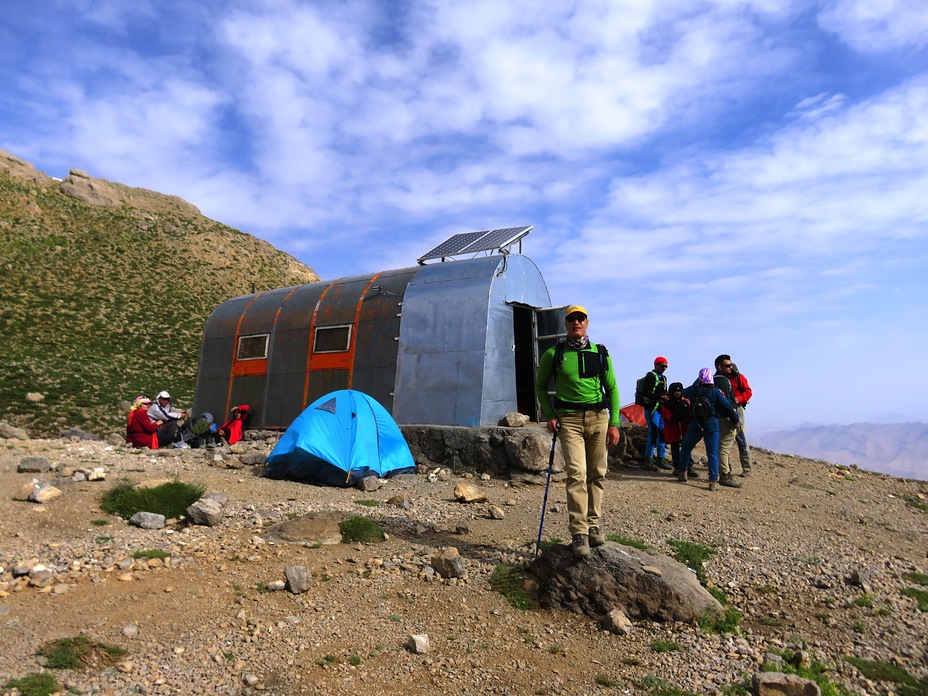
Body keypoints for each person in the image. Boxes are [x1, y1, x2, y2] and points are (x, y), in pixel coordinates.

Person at [534, 305, 621, 559]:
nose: (576, 322)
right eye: (571, 319)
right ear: (566, 324)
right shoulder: (554, 353)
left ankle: (593, 525)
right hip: (569, 420)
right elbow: (540, 385)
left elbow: (613, 389)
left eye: (580, 318)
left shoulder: (601, 352)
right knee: (577, 473)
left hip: (598, 418)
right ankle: (579, 532)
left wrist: (614, 423)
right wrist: (550, 415)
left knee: (598, 473)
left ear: (587, 322)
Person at [678, 368, 739, 491]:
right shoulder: (715, 392)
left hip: (696, 424)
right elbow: (727, 406)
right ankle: (713, 482)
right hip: (712, 424)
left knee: (686, 446)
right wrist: (736, 420)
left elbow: (681, 393)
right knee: (712, 453)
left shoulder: (693, 390)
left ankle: (683, 472)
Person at [713, 355, 742, 488]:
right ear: (719, 367)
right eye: (728, 366)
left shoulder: (713, 380)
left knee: (720, 446)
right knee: (724, 447)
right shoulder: (723, 381)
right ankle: (725, 475)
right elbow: (726, 403)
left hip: (718, 417)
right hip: (726, 418)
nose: (731, 368)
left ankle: (723, 471)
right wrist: (735, 419)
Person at [639, 357, 670, 471]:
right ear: (656, 365)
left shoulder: (663, 378)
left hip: (660, 409)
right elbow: (646, 392)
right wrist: (660, 397)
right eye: (662, 366)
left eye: (666, 366)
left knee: (662, 433)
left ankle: (661, 459)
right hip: (652, 408)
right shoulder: (651, 376)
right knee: (653, 434)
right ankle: (648, 460)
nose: (664, 368)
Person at [661, 382, 695, 477]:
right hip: (673, 430)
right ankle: (677, 467)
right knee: (675, 449)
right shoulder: (667, 404)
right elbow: (666, 416)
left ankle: (689, 466)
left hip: (684, 429)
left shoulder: (685, 402)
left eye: (679, 391)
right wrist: (674, 417)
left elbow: (689, 413)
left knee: (686, 448)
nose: (677, 393)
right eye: (675, 391)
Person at [730, 362, 753, 477]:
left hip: (737, 409)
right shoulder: (720, 378)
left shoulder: (739, 377)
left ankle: (747, 468)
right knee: (725, 440)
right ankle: (725, 468)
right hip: (725, 408)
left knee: (741, 438)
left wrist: (739, 398)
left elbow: (748, 392)